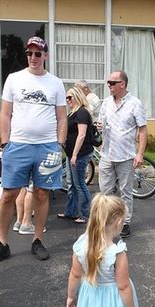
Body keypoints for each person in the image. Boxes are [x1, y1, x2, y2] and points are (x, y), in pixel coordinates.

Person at [0, 36, 67, 265]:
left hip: (47, 146)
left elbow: (62, 117)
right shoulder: (14, 79)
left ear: (45, 56)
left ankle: (37, 239)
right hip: (18, 145)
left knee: (41, 194)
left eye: (38, 54)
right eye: (29, 53)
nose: (33, 58)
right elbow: (5, 113)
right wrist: (6, 142)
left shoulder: (56, 83)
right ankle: (2, 244)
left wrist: (59, 144)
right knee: (9, 194)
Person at [97, 70, 147, 238]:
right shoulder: (106, 103)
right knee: (105, 191)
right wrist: (99, 127)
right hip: (107, 153)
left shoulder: (135, 103)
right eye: (108, 83)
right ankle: (107, 221)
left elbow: (142, 130)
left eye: (112, 83)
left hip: (126, 155)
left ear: (122, 84)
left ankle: (124, 222)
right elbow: (101, 122)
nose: (109, 85)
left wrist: (139, 154)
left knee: (126, 191)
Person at [57, 86, 93, 224]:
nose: (67, 100)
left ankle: (85, 214)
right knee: (71, 184)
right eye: (66, 98)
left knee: (80, 185)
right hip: (71, 153)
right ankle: (71, 211)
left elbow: (82, 135)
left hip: (80, 154)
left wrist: (75, 155)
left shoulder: (82, 113)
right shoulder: (72, 113)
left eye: (70, 97)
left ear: (77, 96)